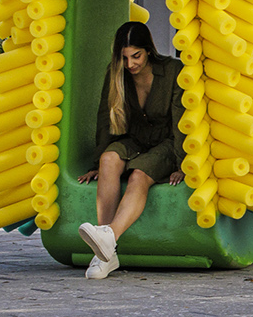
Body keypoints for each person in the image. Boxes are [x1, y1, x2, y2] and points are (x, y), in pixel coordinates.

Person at [76, 21, 185, 280]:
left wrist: (184, 163)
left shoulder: (173, 71)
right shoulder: (116, 73)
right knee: (109, 159)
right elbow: (105, 117)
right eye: (124, 57)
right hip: (135, 139)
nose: (130, 64)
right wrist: (96, 162)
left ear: (148, 50)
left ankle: (108, 240)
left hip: (167, 142)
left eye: (136, 56)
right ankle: (106, 253)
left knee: (139, 174)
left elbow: (182, 121)